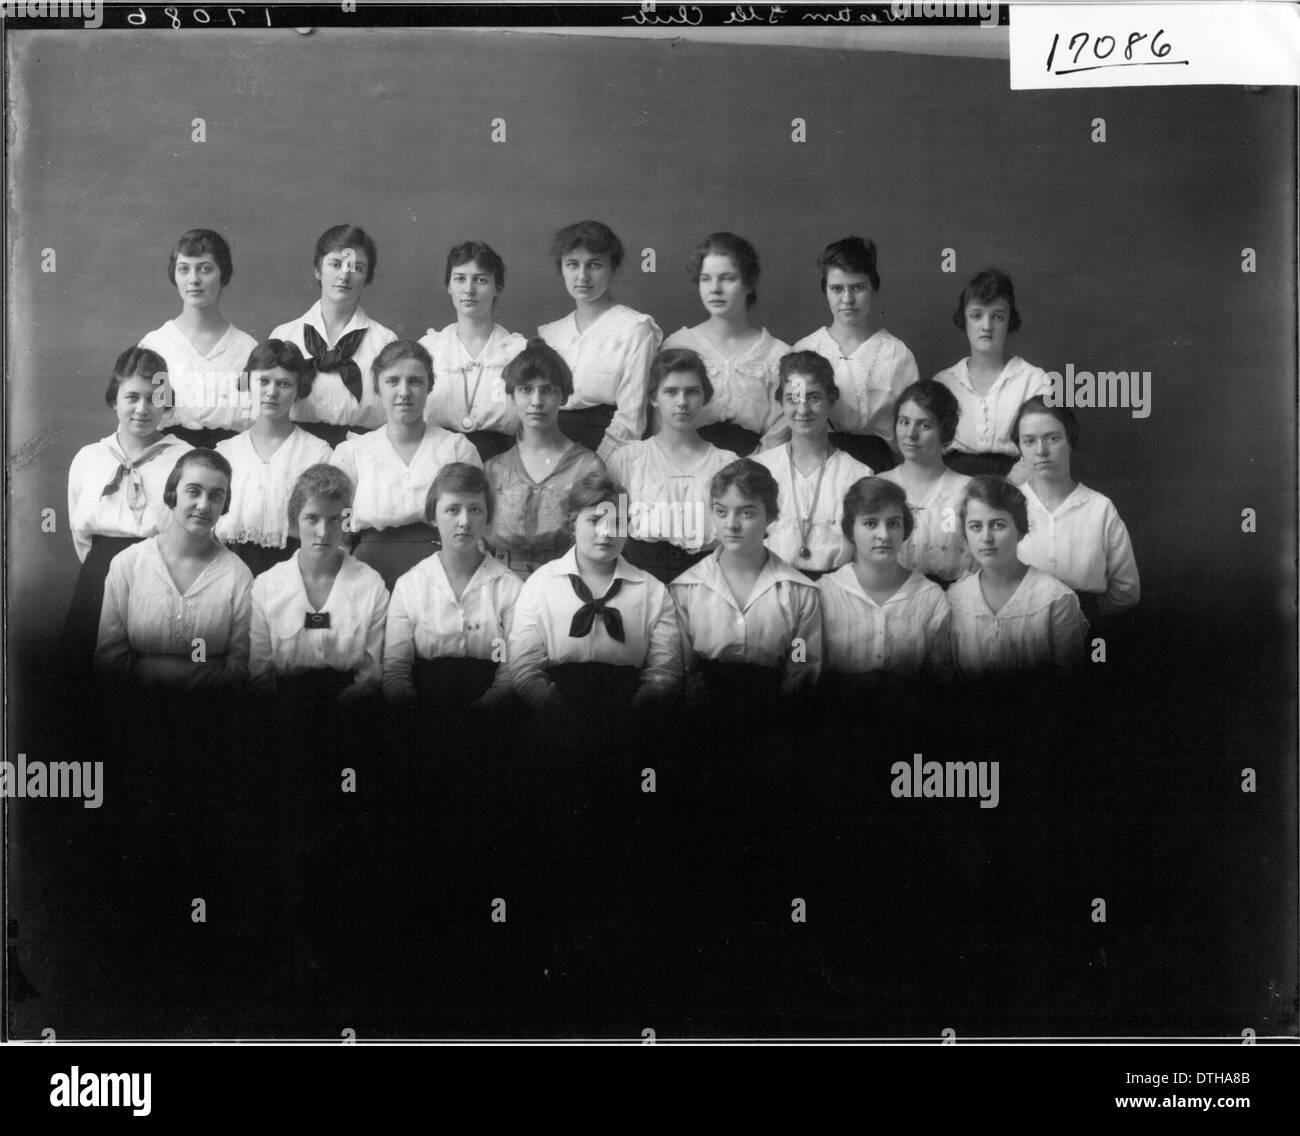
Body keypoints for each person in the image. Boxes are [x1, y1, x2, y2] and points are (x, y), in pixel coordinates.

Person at [506, 470, 682, 717]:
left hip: (630, 719)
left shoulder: (652, 592)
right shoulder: (539, 586)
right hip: (556, 720)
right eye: (594, 520)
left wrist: (636, 711)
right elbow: (524, 669)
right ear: (572, 523)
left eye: (617, 522)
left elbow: (665, 672)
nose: (606, 532)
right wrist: (558, 712)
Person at [64, 347, 192, 667]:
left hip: (160, 575)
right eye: (132, 397)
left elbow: (194, 531)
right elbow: (79, 533)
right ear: (114, 399)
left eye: (154, 398)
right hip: (98, 576)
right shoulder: (88, 458)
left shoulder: (186, 460)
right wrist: (102, 565)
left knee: (150, 677)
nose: (142, 408)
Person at [95, 448, 253, 689]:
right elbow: (110, 655)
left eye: (215, 496)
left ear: (225, 504)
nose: (203, 505)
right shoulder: (128, 564)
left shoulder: (237, 575)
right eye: (193, 491)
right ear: (172, 493)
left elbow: (240, 663)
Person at [670, 458, 821, 709]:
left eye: (747, 512)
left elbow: (801, 663)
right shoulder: (686, 590)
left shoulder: (799, 593)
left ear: (770, 516)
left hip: (774, 715)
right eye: (721, 511)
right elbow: (680, 666)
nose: (732, 524)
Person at [330, 340, 481, 590]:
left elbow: (475, 518)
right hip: (368, 571)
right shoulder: (353, 453)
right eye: (392, 381)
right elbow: (341, 519)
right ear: (378, 386)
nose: (404, 392)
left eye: (415, 381)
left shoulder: (456, 449)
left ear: (429, 386)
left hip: (442, 568)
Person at [384, 462, 521, 709]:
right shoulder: (410, 586)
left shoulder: (509, 587)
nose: (465, 521)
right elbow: (395, 670)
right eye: (452, 510)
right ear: (433, 516)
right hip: (421, 714)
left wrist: (485, 709)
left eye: (475, 509)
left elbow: (510, 668)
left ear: (487, 516)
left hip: (491, 715)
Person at [248, 464, 389, 704]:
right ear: (295, 522)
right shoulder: (267, 586)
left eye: (334, 519)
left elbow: (372, 672)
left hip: (351, 707)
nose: (323, 532)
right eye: (312, 518)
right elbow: (259, 670)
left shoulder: (370, 584)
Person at [607, 347, 738, 584]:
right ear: (654, 398)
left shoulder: (727, 464)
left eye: (692, 392)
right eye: (670, 392)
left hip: (708, 580)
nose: (682, 402)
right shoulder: (628, 461)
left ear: (705, 397)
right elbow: (611, 531)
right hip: (640, 579)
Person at [538, 219, 662, 462]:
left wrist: (595, 468)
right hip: (551, 450)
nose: (582, 276)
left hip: (608, 452)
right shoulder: (550, 335)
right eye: (572, 265)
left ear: (612, 268)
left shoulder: (635, 329)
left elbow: (631, 417)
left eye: (594, 265)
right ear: (561, 268)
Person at [792, 235, 918, 471]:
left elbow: (908, 430)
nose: (847, 299)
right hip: (817, 463)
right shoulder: (804, 350)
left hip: (879, 465)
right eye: (837, 289)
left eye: (858, 287)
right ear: (825, 291)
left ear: (873, 289)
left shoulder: (897, 355)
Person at [484, 339, 604, 579]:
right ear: (512, 395)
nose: (536, 401)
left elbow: (599, 542)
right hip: (500, 587)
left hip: (565, 586)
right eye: (526, 389)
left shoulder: (587, 467)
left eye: (547, 389)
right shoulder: (494, 469)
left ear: (563, 396)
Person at [269, 224, 398, 445]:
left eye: (356, 267)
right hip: (296, 451)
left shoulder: (385, 342)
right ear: (318, 270)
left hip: (362, 453)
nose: (344, 275)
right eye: (336, 264)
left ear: (367, 277)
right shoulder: (284, 335)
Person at [1012, 397, 1140, 619]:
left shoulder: (1100, 508)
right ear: (1020, 448)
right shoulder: (1006, 505)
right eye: (1029, 441)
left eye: (1052, 438)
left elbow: (1126, 590)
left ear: (1071, 441)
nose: (1041, 450)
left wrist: (1081, 614)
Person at [661, 232, 788, 454]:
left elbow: (779, 434)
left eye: (728, 278)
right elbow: (661, 427)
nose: (715, 289)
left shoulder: (778, 355)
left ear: (749, 283)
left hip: (757, 471)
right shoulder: (677, 345)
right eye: (706, 278)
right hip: (685, 464)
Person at [215, 340, 332, 577]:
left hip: (296, 565)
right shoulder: (225, 452)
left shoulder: (318, 453)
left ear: (299, 389)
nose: (272, 392)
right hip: (230, 565)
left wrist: (344, 542)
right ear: (249, 383)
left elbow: (346, 512)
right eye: (264, 381)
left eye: (284, 384)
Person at [946, 476, 1087, 674]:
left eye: (998, 525)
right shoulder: (954, 599)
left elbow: (1070, 681)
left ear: (1020, 530)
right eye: (976, 526)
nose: (986, 538)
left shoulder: (1056, 599)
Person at [818, 477, 951, 678]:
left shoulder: (931, 597)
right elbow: (798, 653)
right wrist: (797, 668)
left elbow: (942, 673)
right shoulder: (821, 594)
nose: (884, 535)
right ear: (850, 530)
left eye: (893, 524)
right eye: (870, 523)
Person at [754, 351, 872, 579]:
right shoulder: (760, 469)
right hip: (772, 586)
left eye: (814, 397)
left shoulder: (857, 474)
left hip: (838, 588)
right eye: (792, 398)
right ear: (781, 402)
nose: (803, 410)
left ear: (831, 400)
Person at [138, 228, 259, 448]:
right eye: (184, 269)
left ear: (223, 276)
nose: (193, 279)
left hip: (232, 465)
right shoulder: (155, 346)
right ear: (174, 275)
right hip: (167, 463)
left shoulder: (247, 350)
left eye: (205, 269)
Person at [934, 268, 1048, 479]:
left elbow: (1040, 450)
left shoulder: (1034, 381)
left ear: (1009, 322)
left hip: (1015, 486)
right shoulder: (942, 383)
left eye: (997, 317)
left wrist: (1007, 489)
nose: (986, 326)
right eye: (976, 316)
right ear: (964, 320)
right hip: (951, 486)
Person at [418, 240, 527, 462]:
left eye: (481, 279)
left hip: (503, 464)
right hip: (437, 461)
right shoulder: (429, 349)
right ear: (449, 286)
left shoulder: (517, 352)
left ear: (498, 287)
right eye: (460, 279)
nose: (468, 289)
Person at [879, 379, 974, 585]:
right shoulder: (879, 487)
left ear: (945, 432)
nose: (911, 434)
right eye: (904, 422)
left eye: (925, 425)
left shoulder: (968, 491)